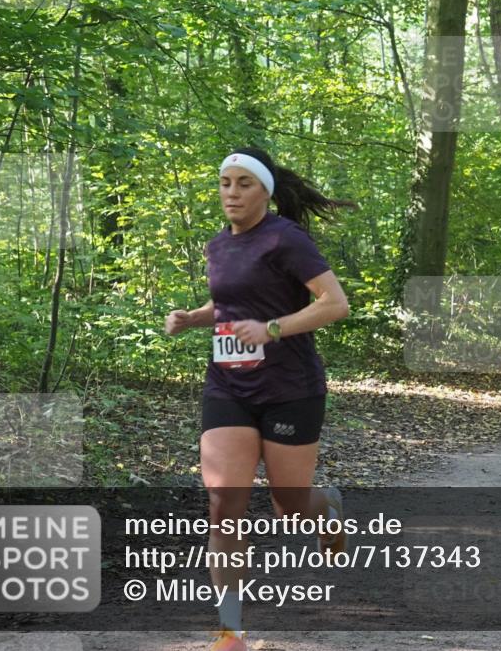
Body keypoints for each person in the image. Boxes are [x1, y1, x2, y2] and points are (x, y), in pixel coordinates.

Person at [164, 147, 352, 651]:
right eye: (225, 183)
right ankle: (231, 630)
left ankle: (326, 509)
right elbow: (228, 305)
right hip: (228, 385)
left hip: (290, 388)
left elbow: (335, 304)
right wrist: (194, 318)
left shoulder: (286, 239)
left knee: (288, 506)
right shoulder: (218, 246)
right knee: (224, 501)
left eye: (244, 183)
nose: (231, 193)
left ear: (266, 191)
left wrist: (272, 329)